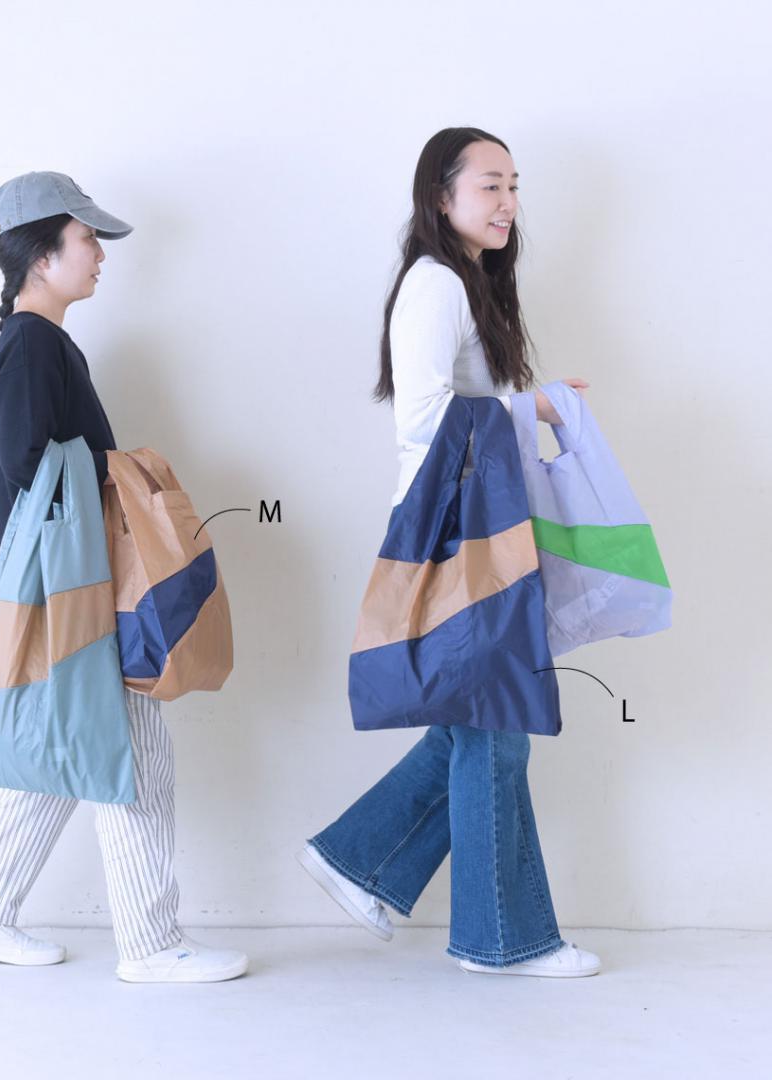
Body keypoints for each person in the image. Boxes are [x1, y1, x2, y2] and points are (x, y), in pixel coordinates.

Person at [297, 129, 601, 978]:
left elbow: (467, 409)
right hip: (451, 533)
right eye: (490, 186)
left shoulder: (466, 284)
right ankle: (502, 939)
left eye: (514, 186)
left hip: (476, 527)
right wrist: (533, 408)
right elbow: (425, 418)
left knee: (480, 718)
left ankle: (358, 858)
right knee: (495, 721)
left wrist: (528, 404)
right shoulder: (434, 284)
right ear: (442, 196)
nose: (509, 204)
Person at [0, 171, 248, 984]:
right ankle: (150, 944)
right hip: (76, 585)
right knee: (129, 752)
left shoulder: (37, 341)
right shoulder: (33, 344)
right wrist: (117, 467)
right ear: (42, 254)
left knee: (73, 752)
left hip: (66, 584)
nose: (100, 257)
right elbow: (28, 465)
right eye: (87, 241)